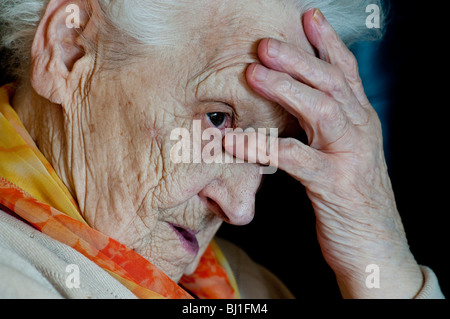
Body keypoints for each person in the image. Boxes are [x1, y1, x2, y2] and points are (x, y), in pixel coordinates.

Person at [0, 0, 444, 299]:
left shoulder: (245, 286)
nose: (239, 207)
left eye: (271, 143)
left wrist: (380, 260)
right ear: (69, 49)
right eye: (218, 118)